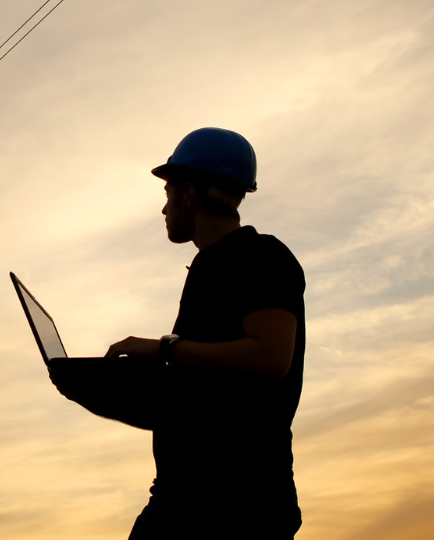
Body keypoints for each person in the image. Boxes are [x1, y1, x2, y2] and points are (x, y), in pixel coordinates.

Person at [49, 128, 306, 538]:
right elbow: (198, 401)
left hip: (234, 503)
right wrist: (100, 391)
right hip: (186, 496)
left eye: (168, 192)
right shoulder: (210, 268)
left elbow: (270, 357)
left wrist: (166, 347)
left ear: (189, 192)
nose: (164, 207)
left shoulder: (260, 256)